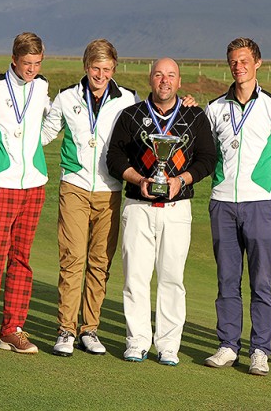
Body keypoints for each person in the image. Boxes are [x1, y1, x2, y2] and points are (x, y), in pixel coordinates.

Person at [106, 57, 216, 366]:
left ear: (179, 81)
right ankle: (137, 341)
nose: (164, 80)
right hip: (138, 206)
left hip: (177, 209)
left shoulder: (194, 116)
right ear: (150, 79)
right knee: (135, 278)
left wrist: (181, 180)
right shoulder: (132, 115)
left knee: (172, 279)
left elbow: (208, 158)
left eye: (170, 75)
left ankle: (168, 345)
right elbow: (114, 158)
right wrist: (139, 179)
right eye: (158, 74)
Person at [41, 39, 139, 356]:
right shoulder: (67, 97)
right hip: (75, 185)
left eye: (107, 69)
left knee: (100, 262)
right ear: (86, 66)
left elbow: (148, 127)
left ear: (114, 68)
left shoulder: (128, 99)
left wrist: (187, 105)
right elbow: (44, 133)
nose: (101, 75)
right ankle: (66, 330)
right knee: (73, 259)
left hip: (111, 189)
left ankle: (89, 329)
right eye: (96, 68)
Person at [204, 37, 271, 376]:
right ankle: (228, 345)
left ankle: (260, 350)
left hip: (260, 205)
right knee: (227, 279)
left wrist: (270, 195)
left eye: (244, 60)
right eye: (233, 61)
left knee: (261, 281)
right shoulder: (215, 108)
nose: (238, 66)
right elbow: (207, 153)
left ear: (257, 63)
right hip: (223, 203)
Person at [0, 32, 51, 355]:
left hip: (34, 183)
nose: (31, 69)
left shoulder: (42, 86)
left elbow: (49, 124)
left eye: (37, 63)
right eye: (27, 63)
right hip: (1, 184)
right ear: (14, 59)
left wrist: (33, 152)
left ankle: (12, 329)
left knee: (21, 259)